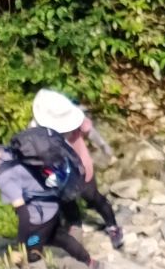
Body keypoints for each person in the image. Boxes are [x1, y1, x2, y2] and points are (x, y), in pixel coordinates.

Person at [0, 139, 96, 267]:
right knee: (57, 237)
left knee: (32, 253)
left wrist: (21, 246)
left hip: (40, 215)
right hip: (50, 200)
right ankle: (89, 261)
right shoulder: (0, 152)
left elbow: (23, 214)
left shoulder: (4, 179)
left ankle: (73, 268)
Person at [31, 87, 123, 250]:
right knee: (67, 200)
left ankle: (112, 226)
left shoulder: (77, 120)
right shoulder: (36, 127)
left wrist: (105, 147)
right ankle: (75, 225)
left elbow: (91, 133)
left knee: (93, 197)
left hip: (81, 167)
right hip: (57, 172)